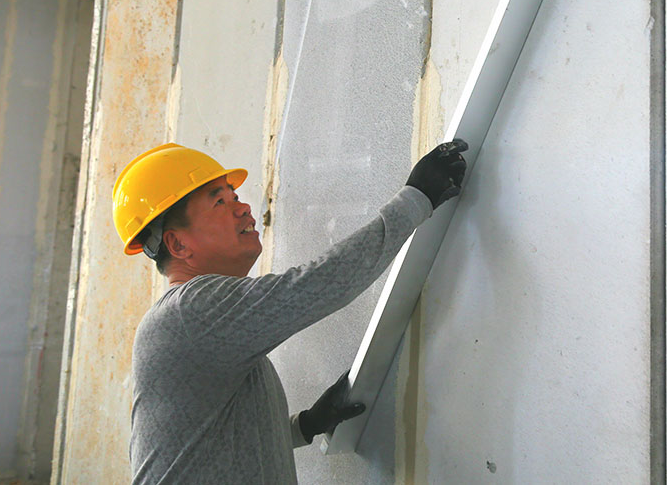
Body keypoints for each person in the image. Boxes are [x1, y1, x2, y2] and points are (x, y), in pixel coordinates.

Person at [112, 139, 468, 484]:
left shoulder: (201, 326)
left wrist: (305, 426)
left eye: (234, 196)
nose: (243, 207)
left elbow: (221, 443)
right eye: (219, 201)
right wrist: (416, 198)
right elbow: (320, 285)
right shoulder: (189, 312)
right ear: (177, 243)